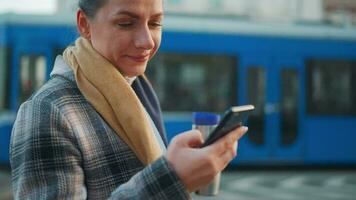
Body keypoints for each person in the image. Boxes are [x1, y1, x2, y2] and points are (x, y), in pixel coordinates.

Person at [10, 0, 248, 199]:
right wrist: (172, 177)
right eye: (125, 23)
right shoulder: (47, 110)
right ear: (84, 24)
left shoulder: (137, 88)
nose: (147, 41)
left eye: (155, 23)